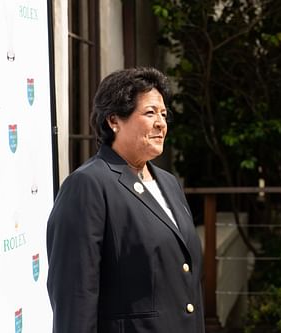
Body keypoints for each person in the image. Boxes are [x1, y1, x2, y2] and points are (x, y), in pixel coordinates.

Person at [46, 67, 205, 332]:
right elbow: (75, 296)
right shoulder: (88, 185)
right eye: (150, 113)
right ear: (113, 120)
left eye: (163, 114)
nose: (161, 123)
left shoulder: (168, 182)